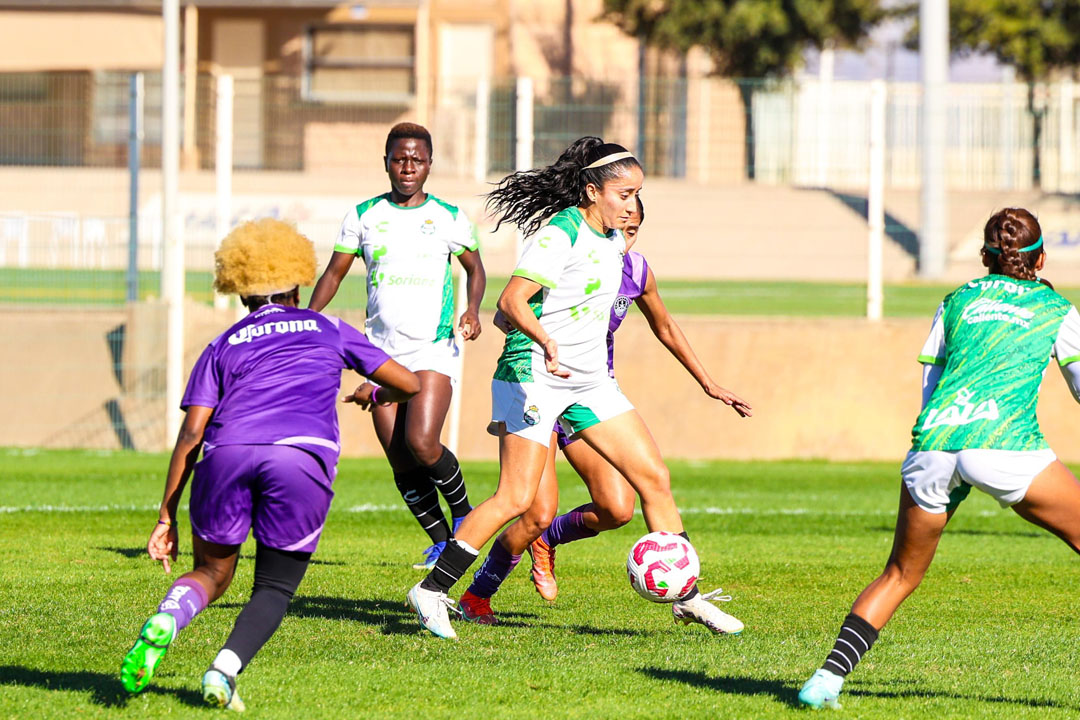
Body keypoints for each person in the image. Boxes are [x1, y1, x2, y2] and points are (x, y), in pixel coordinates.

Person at [406, 137, 745, 640]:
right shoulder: (561, 232)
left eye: (637, 195)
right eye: (624, 194)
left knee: (653, 478)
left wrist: (710, 383)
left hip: (589, 381)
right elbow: (512, 300)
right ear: (592, 191)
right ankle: (433, 590)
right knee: (517, 498)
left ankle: (686, 596)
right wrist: (544, 339)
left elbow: (660, 323)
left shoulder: (615, 243)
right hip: (534, 373)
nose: (632, 206)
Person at [119, 219, 420, 710]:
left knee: (212, 573)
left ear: (241, 294)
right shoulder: (329, 328)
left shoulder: (223, 344)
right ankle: (223, 669)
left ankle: (169, 618)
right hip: (299, 456)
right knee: (275, 585)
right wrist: (373, 390)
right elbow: (409, 384)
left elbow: (192, 433)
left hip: (225, 454)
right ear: (298, 285)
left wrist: (165, 515)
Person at [798, 208, 1080, 709]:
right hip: (1005, 443)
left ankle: (825, 681)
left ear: (983, 257)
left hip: (933, 444)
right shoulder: (1055, 308)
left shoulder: (956, 301)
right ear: (1039, 256)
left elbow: (930, 386)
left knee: (900, 574)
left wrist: (944, 441)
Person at [309, 122, 486, 570]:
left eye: (417, 160)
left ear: (429, 165)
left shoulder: (448, 216)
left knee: (423, 442)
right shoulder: (365, 215)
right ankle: (443, 543)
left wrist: (472, 309)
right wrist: (306, 320)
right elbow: (333, 274)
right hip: (380, 353)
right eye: (399, 159)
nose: (408, 167)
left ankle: (466, 517)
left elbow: (475, 269)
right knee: (400, 458)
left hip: (432, 346)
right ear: (386, 162)